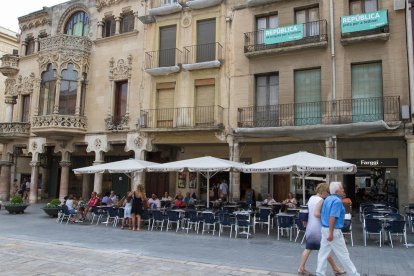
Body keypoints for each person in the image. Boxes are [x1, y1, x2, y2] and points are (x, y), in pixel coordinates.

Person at [298, 183, 344, 276]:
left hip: (310, 226)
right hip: (317, 227)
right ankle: (336, 269)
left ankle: (301, 268)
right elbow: (316, 214)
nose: (327, 194)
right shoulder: (321, 200)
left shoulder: (311, 198)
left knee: (310, 248)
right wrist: (327, 216)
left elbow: (308, 212)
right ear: (323, 192)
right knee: (324, 249)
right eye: (327, 192)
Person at [316, 182, 360, 276]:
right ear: (337, 191)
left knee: (323, 253)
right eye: (342, 189)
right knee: (343, 254)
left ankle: (319, 273)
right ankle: (354, 274)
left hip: (324, 228)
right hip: (333, 230)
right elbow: (332, 217)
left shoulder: (327, 199)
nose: (343, 190)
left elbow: (325, 214)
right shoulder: (337, 201)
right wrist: (331, 233)